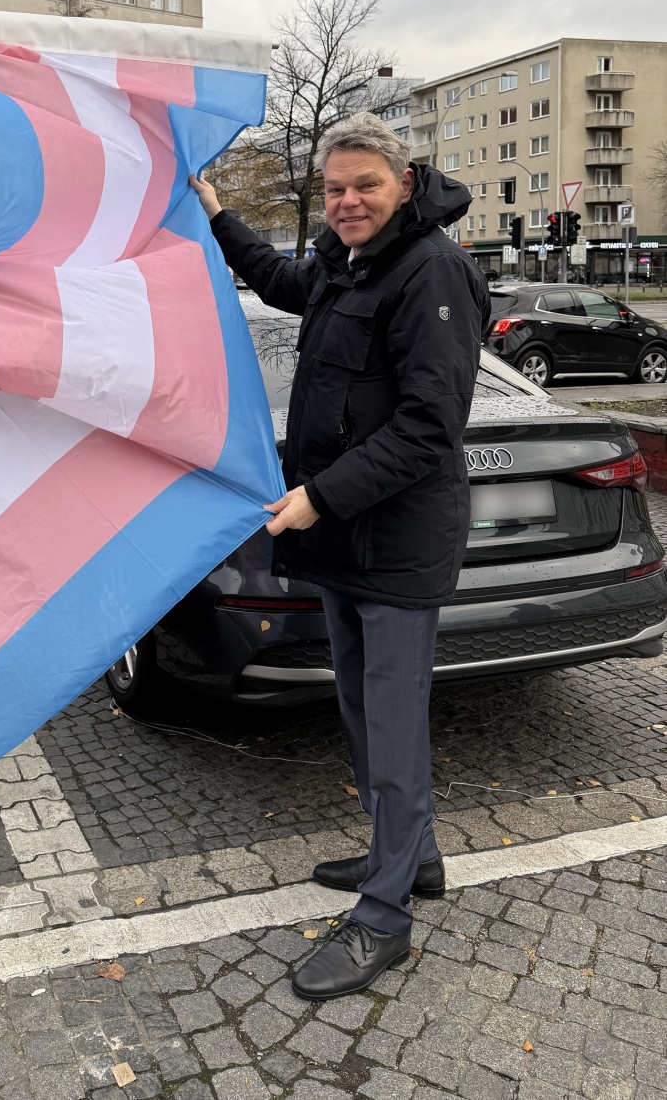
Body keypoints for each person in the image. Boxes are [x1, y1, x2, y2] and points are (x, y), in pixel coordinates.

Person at [191, 112, 489, 1000]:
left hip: (394, 541)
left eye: (363, 185)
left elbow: (429, 427)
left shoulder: (430, 269)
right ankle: (414, 857)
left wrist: (319, 495)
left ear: (403, 181)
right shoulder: (342, 259)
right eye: (334, 189)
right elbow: (285, 283)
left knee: (392, 724)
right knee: (359, 709)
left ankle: (384, 915)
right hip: (342, 538)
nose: (347, 201)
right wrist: (215, 215)